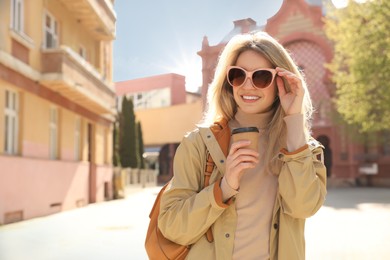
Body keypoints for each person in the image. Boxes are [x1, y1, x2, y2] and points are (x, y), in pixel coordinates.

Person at [158, 31, 327, 260]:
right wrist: (224, 187)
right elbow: (171, 226)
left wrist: (294, 119)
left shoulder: (302, 148)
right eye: (238, 75)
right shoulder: (199, 144)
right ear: (228, 82)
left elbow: (303, 207)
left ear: (281, 82)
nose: (248, 86)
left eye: (261, 77)